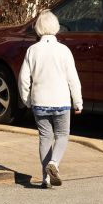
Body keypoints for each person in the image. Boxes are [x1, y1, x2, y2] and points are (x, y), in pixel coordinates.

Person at [17, 10, 83, 189]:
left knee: (45, 137)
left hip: (40, 101)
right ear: (56, 27)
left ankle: (46, 177)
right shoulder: (64, 50)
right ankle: (54, 163)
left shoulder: (32, 50)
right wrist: (78, 102)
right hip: (61, 101)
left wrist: (26, 99)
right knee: (62, 135)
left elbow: (23, 78)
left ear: (38, 29)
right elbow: (73, 79)